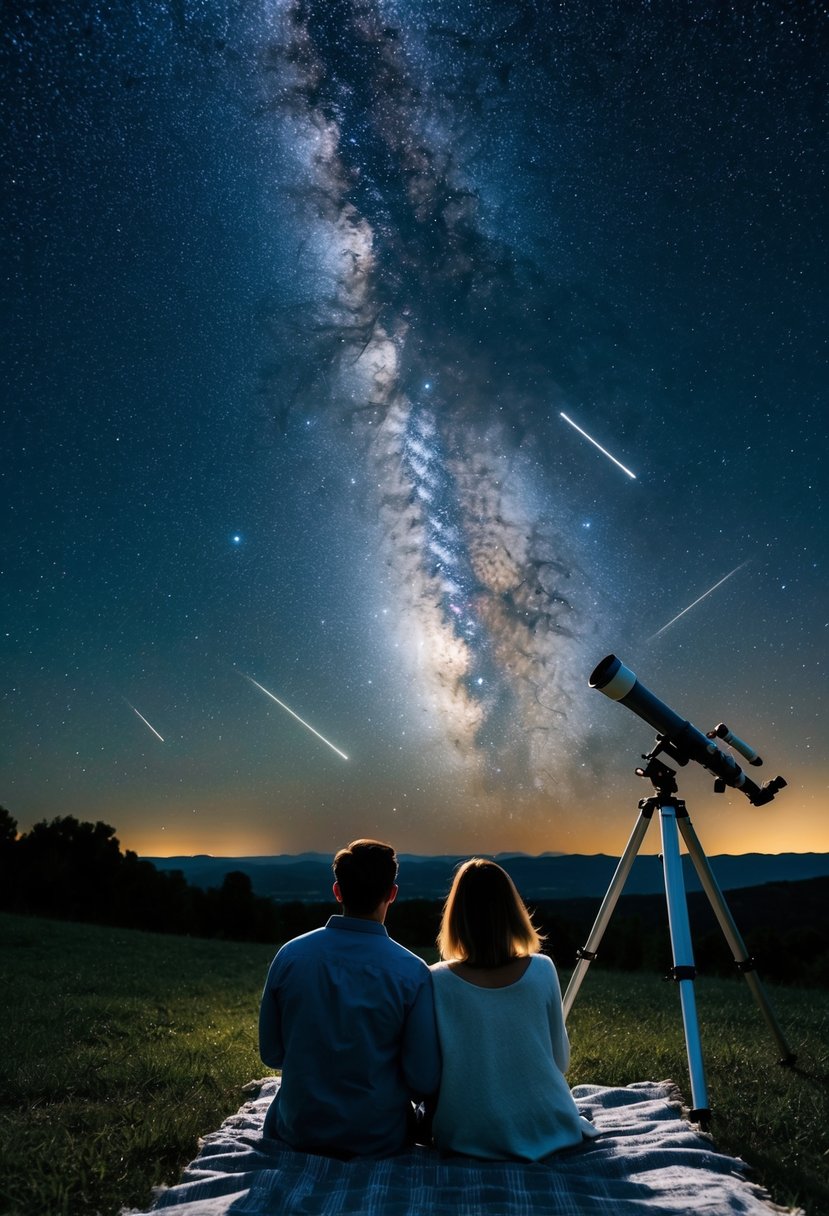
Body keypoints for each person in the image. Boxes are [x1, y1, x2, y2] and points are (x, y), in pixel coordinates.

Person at [259, 838, 441, 1157]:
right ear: (392, 894)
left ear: (338, 891)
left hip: (298, 1130)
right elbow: (422, 1078)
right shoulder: (413, 973)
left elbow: (272, 1054)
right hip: (379, 1137)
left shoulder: (290, 956)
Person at [429, 858, 597, 1160]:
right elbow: (560, 1061)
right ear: (512, 911)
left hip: (468, 1133)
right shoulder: (542, 970)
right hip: (548, 1124)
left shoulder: (435, 980)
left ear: (456, 916)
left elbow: (429, 1075)